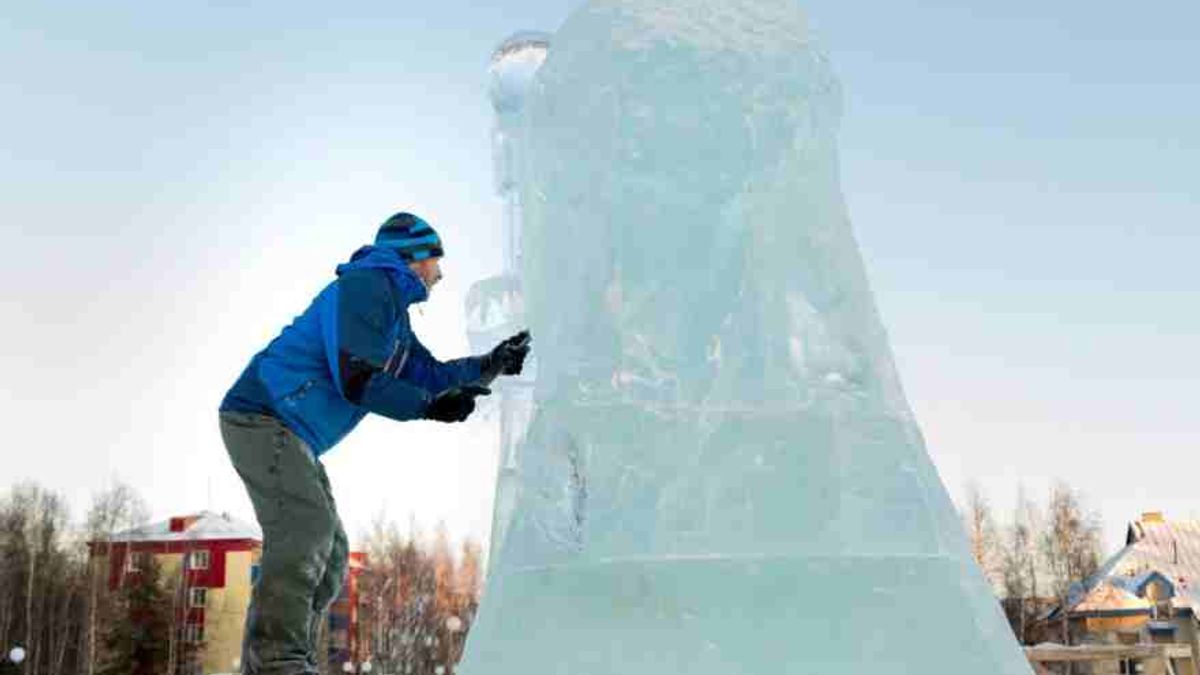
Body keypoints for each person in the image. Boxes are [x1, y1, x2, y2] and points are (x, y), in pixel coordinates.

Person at [218, 212, 530, 674]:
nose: (439, 275)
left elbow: (429, 374)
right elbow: (358, 378)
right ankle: (275, 663)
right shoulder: (367, 288)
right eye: (435, 262)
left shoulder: (392, 318)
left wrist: (491, 363)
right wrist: (429, 406)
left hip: (290, 431)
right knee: (306, 532)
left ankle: (284, 659)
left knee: (331, 553)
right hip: (261, 416)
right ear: (412, 257)